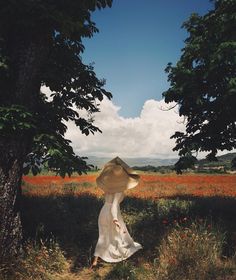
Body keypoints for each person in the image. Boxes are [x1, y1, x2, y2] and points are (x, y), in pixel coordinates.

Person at [91, 156, 142, 267]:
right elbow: (114, 206)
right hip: (112, 214)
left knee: (103, 235)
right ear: (123, 178)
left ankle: (95, 260)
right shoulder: (119, 192)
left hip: (103, 212)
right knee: (117, 235)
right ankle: (117, 253)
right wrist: (115, 219)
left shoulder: (107, 188)